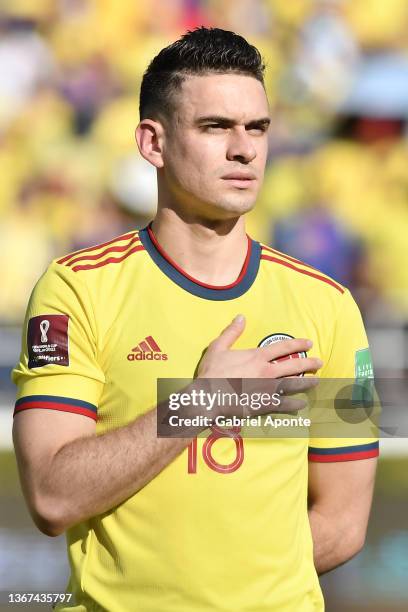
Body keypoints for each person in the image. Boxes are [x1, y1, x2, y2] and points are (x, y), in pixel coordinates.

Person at [12, 27, 379, 612]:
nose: (245, 149)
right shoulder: (77, 288)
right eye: (215, 127)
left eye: (257, 128)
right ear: (152, 143)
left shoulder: (328, 305)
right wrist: (202, 403)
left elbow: (343, 522)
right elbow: (52, 498)